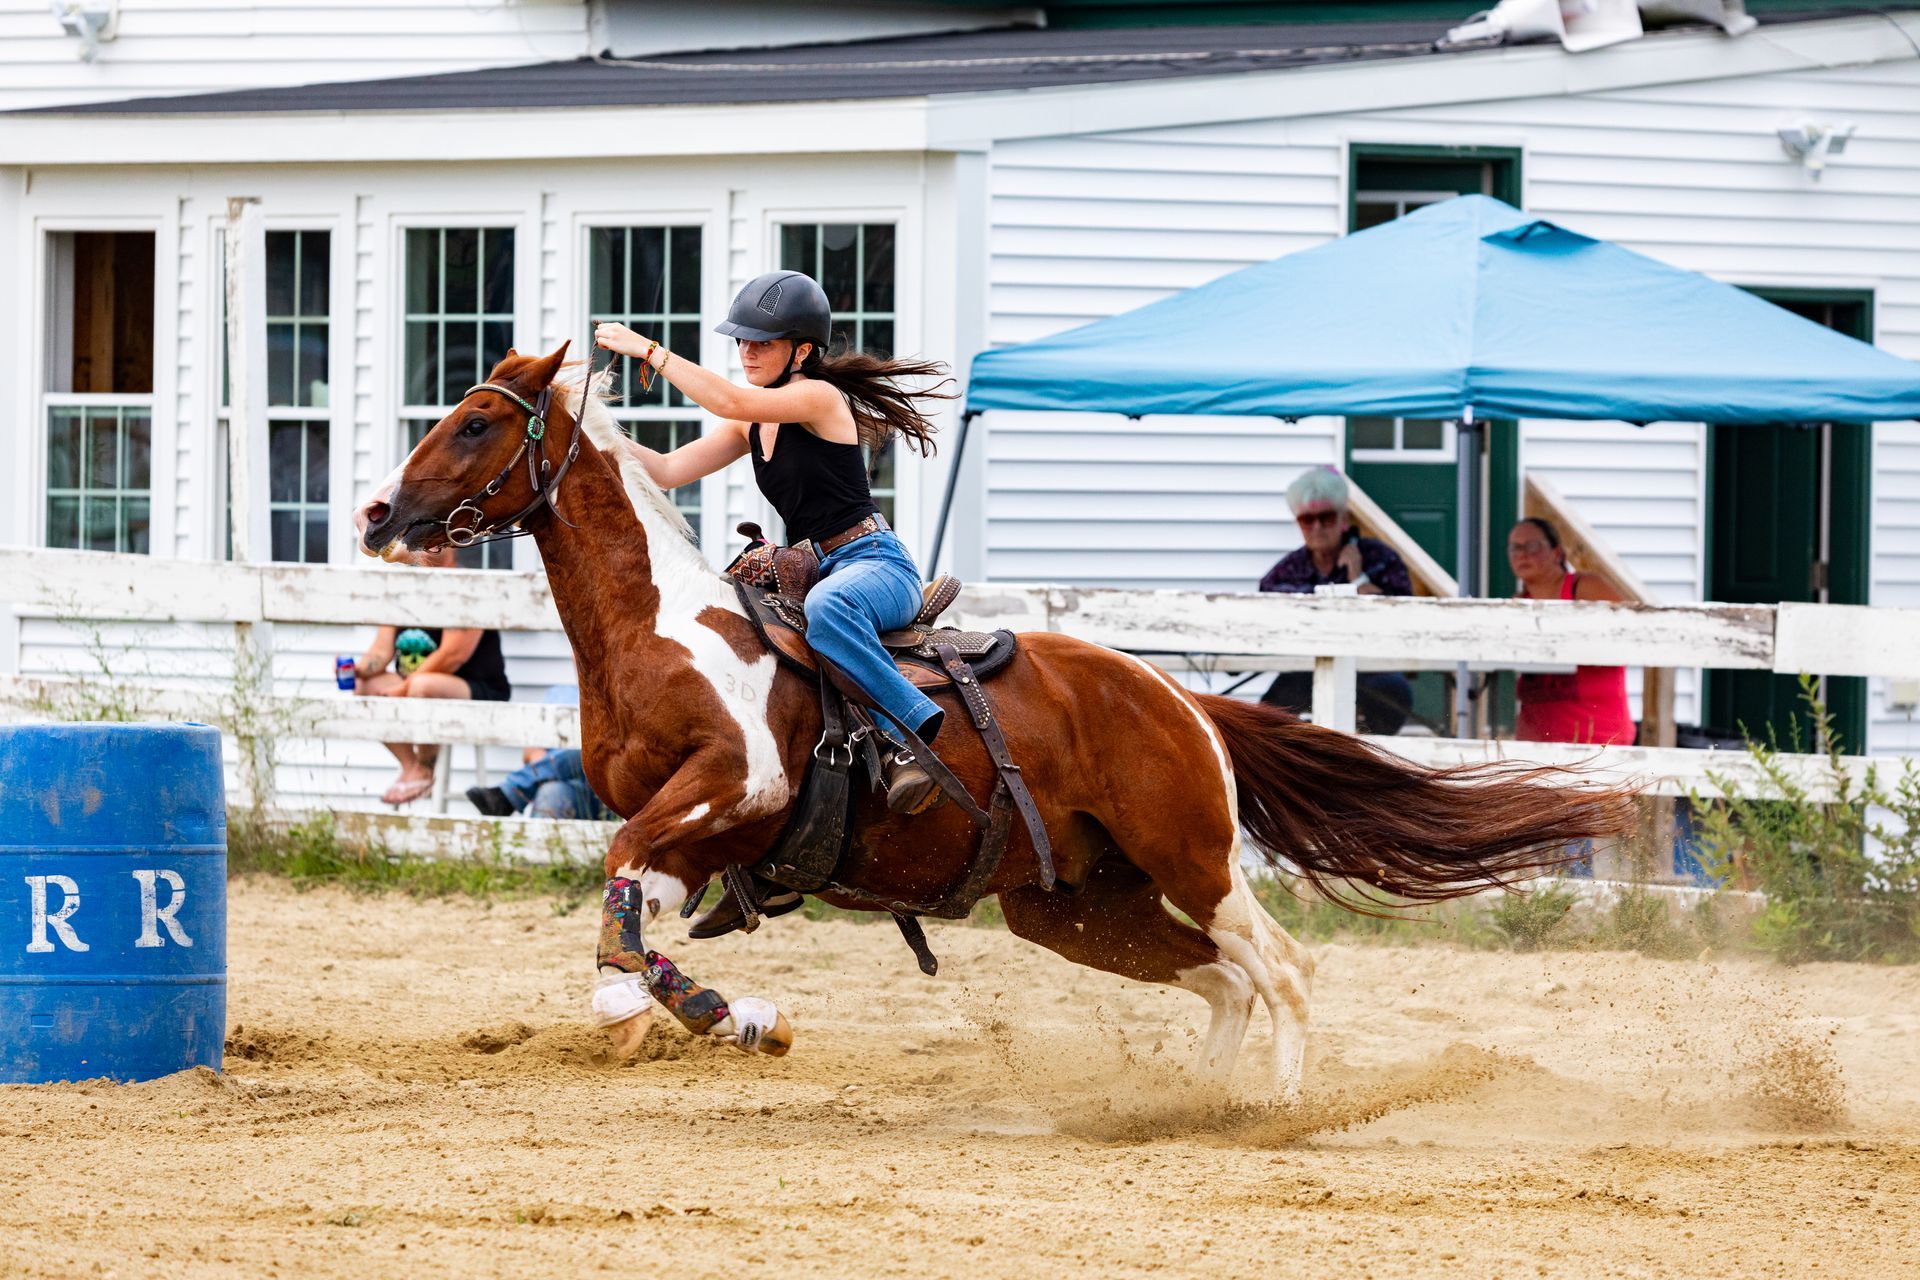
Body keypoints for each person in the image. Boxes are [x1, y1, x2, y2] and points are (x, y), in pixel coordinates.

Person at [592, 268, 952, 815]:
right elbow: (666, 470)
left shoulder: (818, 398)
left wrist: (650, 351)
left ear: (802, 350)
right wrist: (592, 433)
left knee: (828, 609)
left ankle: (912, 729)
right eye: (742, 339)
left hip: (876, 564)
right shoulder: (752, 424)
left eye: (762, 342)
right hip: (823, 566)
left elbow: (731, 402)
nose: (747, 350)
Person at [1257, 466, 1414, 736]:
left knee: (1392, 695)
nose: (1317, 527)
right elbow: (1263, 613)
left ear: (1343, 519)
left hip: (1373, 666)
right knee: (1267, 720)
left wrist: (1358, 578)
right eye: (1308, 520)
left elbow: (1405, 615)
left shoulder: (1379, 559)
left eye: (1326, 517)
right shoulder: (1287, 570)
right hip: (1303, 667)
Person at [351, 545, 511, 805]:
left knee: (422, 686)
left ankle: (426, 768)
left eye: (436, 540)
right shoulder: (403, 590)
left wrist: (404, 689)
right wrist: (357, 669)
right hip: (414, 686)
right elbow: (381, 651)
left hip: (475, 688)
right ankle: (411, 767)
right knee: (367, 684)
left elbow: (452, 656)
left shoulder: (468, 588)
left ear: (454, 546)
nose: (427, 545)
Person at [1507, 516, 1635, 746]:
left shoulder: (1585, 587)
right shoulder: (1518, 602)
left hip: (1597, 737)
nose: (1522, 554)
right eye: (1515, 547)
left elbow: (1630, 634)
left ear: (1557, 552)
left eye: (1533, 545)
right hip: (1535, 743)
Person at [468, 684, 610, 821]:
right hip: (568, 786)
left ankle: (510, 793)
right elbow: (532, 752)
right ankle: (533, 842)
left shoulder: (620, 692)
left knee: (593, 749)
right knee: (551, 792)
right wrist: (548, 770)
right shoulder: (560, 693)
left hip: (610, 790)